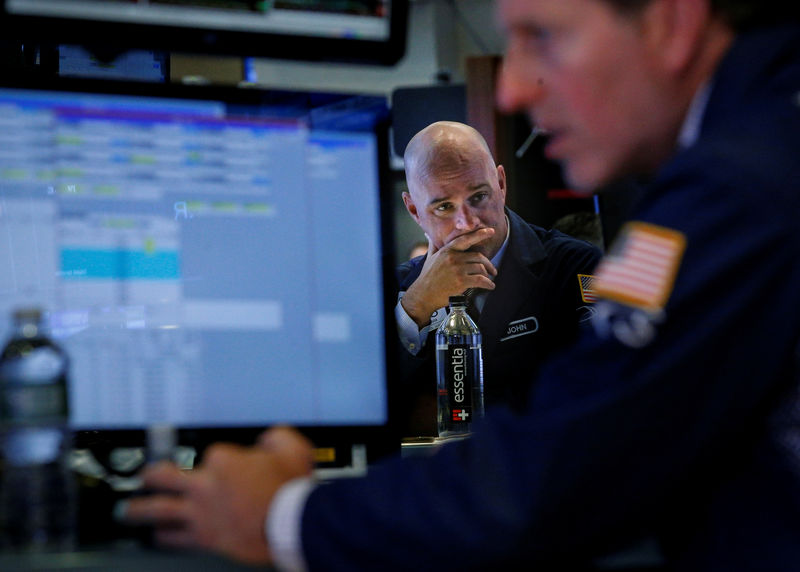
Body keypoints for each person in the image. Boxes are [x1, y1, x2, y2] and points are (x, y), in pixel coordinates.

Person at [123, 0, 800, 570]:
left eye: (544, 36)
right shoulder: (753, 149)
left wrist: (283, 516)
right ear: (414, 212)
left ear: (671, 23)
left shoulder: (727, 191)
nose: (513, 89)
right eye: (442, 206)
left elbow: (561, 466)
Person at [396, 121, 601, 434]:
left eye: (478, 197)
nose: (467, 223)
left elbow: (604, 388)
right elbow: (370, 406)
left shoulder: (574, 266)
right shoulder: (396, 291)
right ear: (413, 209)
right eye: (444, 206)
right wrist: (416, 306)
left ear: (501, 184)